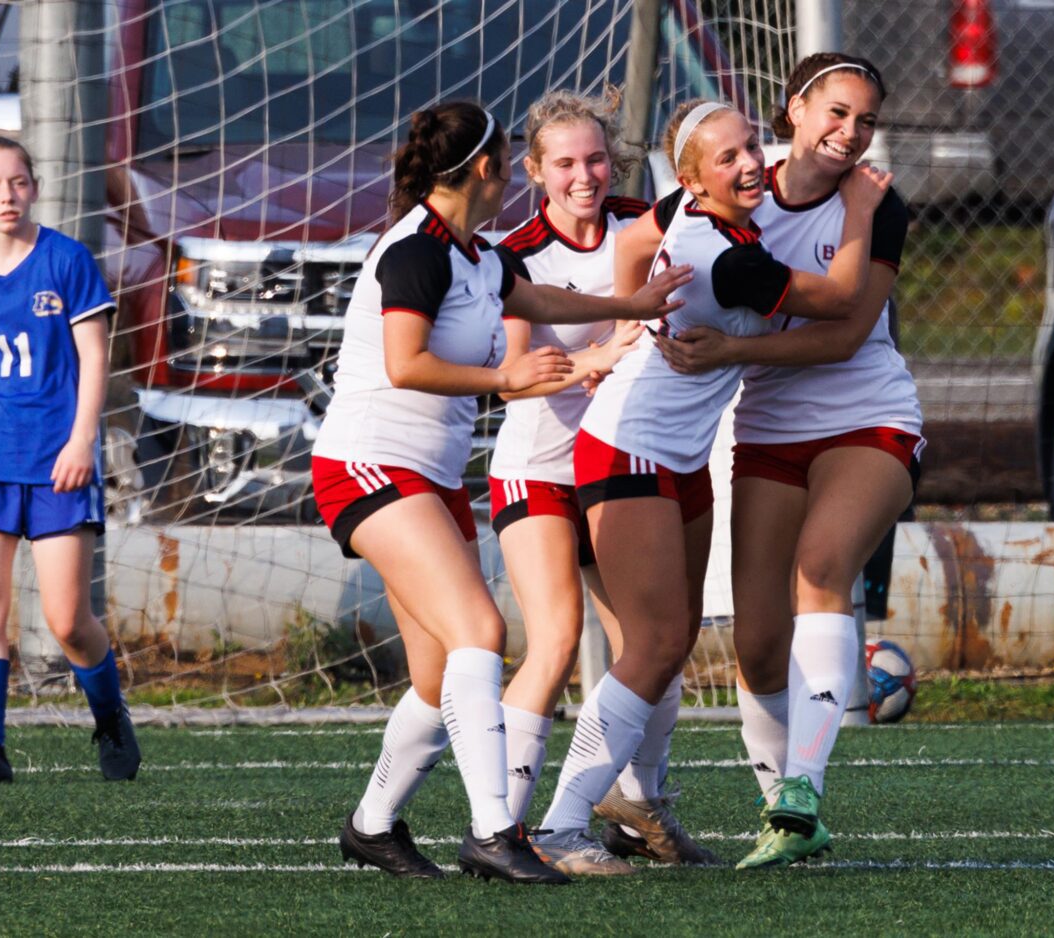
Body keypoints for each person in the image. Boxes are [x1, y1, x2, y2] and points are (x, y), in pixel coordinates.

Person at [312, 100, 691, 884]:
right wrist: (504, 378)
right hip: (368, 464)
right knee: (482, 631)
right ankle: (496, 832)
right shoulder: (415, 248)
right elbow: (405, 362)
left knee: (433, 675)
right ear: (489, 170)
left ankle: (372, 825)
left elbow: (544, 300)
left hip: (430, 474)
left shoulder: (476, 253)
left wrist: (631, 306)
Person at [531, 98, 890, 867]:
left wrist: (629, 319)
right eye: (726, 158)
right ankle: (559, 825)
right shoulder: (727, 253)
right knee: (656, 642)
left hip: (679, 457)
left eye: (751, 145)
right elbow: (839, 299)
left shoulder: (711, 221)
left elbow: (633, 242)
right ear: (694, 180)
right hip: (629, 448)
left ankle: (640, 809)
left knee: (672, 640)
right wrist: (859, 206)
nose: (750, 162)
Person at [654, 54, 921, 869]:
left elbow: (844, 331)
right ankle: (783, 812)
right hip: (768, 427)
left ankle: (803, 792)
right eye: (837, 112)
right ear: (795, 109)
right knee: (759, 645)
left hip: (867, 415)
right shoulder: (732, 182)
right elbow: (641, 245)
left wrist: (731, 346)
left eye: (866, 120)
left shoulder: (879, 203)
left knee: (821, 568)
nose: (851, 133)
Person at [489, 88, 703, 876]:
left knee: (652, 647)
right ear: (535, 171)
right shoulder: (516, 252)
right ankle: (505, 830)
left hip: (621, 467)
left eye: (596, 159)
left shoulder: (643, 222)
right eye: (566, 163)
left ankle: (634, 808)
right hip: (541, 472)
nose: (585, 176)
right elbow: (511, 380)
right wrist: (595, 358)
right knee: (553, 640)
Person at [0, 137, 140, 786]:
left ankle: (110, 716)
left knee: (67, 620)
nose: (7, 196)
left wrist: (82, 441)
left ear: (35, 188)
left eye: (18, 182)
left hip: (58, 462)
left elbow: (96, 358)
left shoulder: (67, 261)